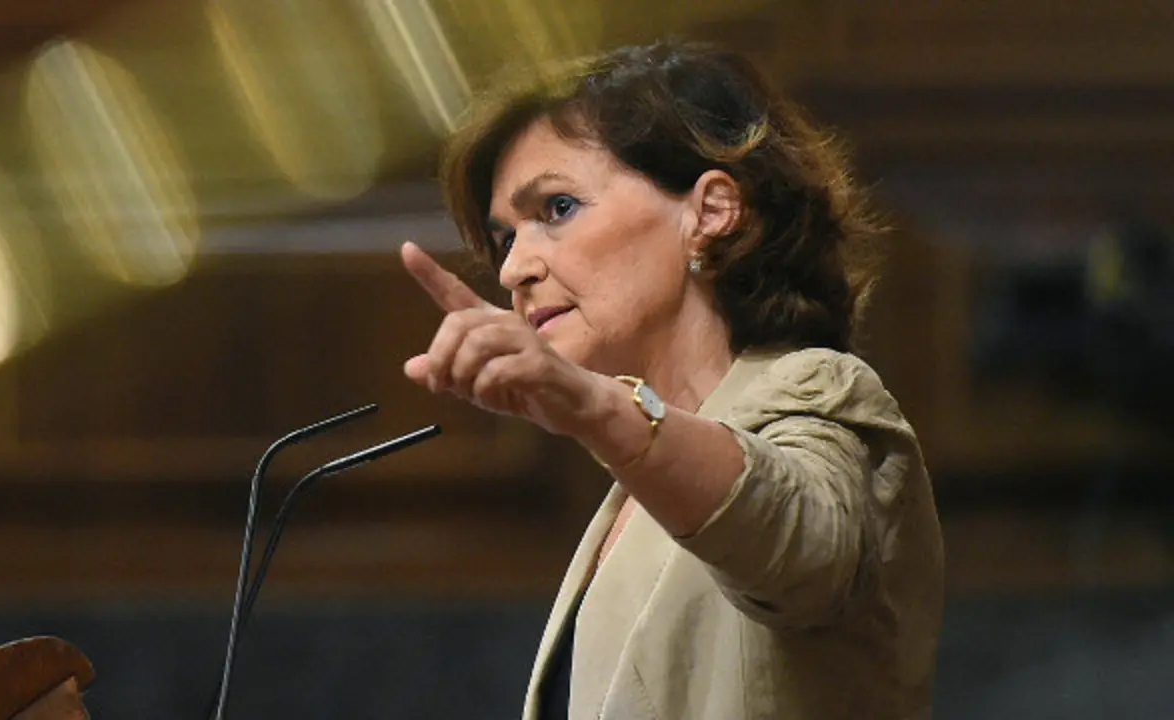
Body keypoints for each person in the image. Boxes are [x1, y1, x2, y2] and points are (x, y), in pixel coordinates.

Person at [399, 39, 944, 720]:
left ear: (711, 212)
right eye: (506, 238)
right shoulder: (632, 490)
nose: (513, 270)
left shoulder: (821, 390)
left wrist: (597, 407)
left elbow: (807, 547)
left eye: (558, 208)